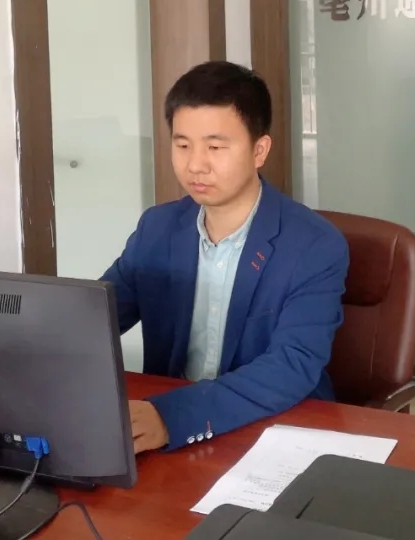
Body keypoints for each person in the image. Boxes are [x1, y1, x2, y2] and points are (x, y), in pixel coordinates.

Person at [102, 61, 349, 453]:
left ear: (259, 150)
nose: (195, 165)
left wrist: (173, 417)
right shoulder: (158, 228)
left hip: (272, 429)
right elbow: (98, 317)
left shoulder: (315, 245)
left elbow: (291, 365)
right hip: (170, 438)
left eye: (215, 147)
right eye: (182, 145)